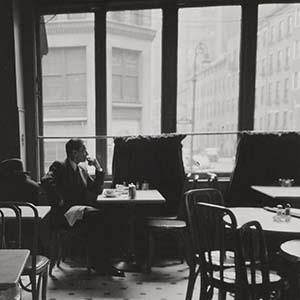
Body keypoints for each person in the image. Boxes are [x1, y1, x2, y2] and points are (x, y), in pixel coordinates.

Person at [41, 138, 124, 277]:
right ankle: (100, 263)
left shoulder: (82, 170)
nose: (86, 154)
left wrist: (98, 168)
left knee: (107, 216)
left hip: (80, 212)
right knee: (98, 217)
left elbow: (96, 189)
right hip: (64, 214)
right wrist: (58, 198)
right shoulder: (60, 166)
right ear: (74, 153)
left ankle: (102, 262)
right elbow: (46, 180)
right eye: (83, 151)